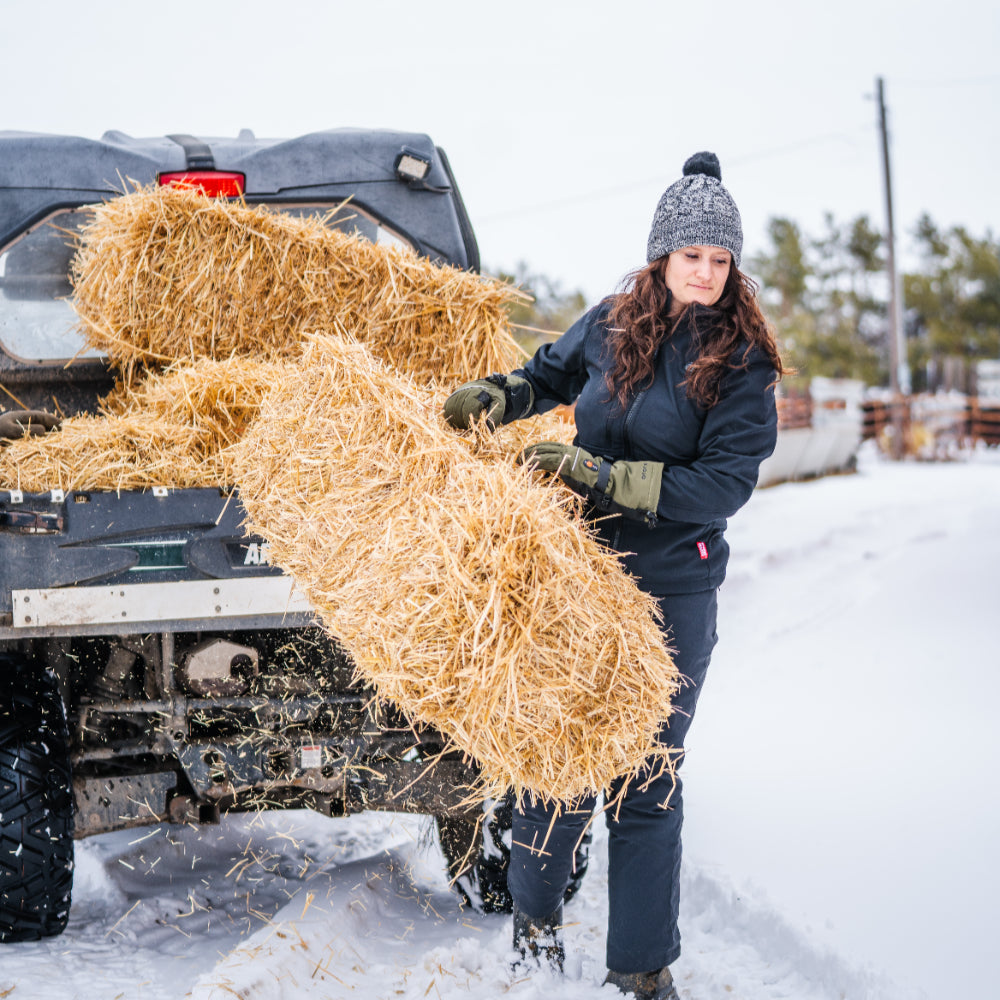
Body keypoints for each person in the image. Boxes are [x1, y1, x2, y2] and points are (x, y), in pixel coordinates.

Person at [443, 151, 785, 1000]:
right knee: (554, 757)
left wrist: (601, 476)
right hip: (578, 578)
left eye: (720, 259)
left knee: (647, 776)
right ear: (662, 253)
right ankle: (535, 919)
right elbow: (548, 377)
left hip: (672, 589)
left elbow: (724, 485)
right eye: (691, 255)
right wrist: (495, 395)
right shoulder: (610, 322)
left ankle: (641, 966)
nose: (705, 273)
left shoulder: (744, 363)